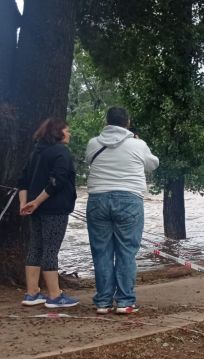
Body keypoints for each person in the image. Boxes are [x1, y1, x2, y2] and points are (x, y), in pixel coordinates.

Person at [85, 107, 158, 315]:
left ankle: (103, 302)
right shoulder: (138, 144)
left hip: (98, 199)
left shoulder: (93, 143)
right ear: (127, 122)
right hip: (129, 199)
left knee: (101, 252)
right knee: (126, 251)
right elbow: (153, 164)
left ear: (107, 121)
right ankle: (125, 301)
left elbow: (89, 160)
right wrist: (137, 141)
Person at [17, 118, 79, 308]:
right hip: (54, 209)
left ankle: (32, 292)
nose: (69, 134)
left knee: (36, 247)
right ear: (58, 132)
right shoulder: (61, 151)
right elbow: (56, 182)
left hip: (35, 210)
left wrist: (25, 204)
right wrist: (35, 202)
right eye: (67, 130)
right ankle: (54, 295)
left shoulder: (37, 151)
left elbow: (23, 180)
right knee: (51, 250)